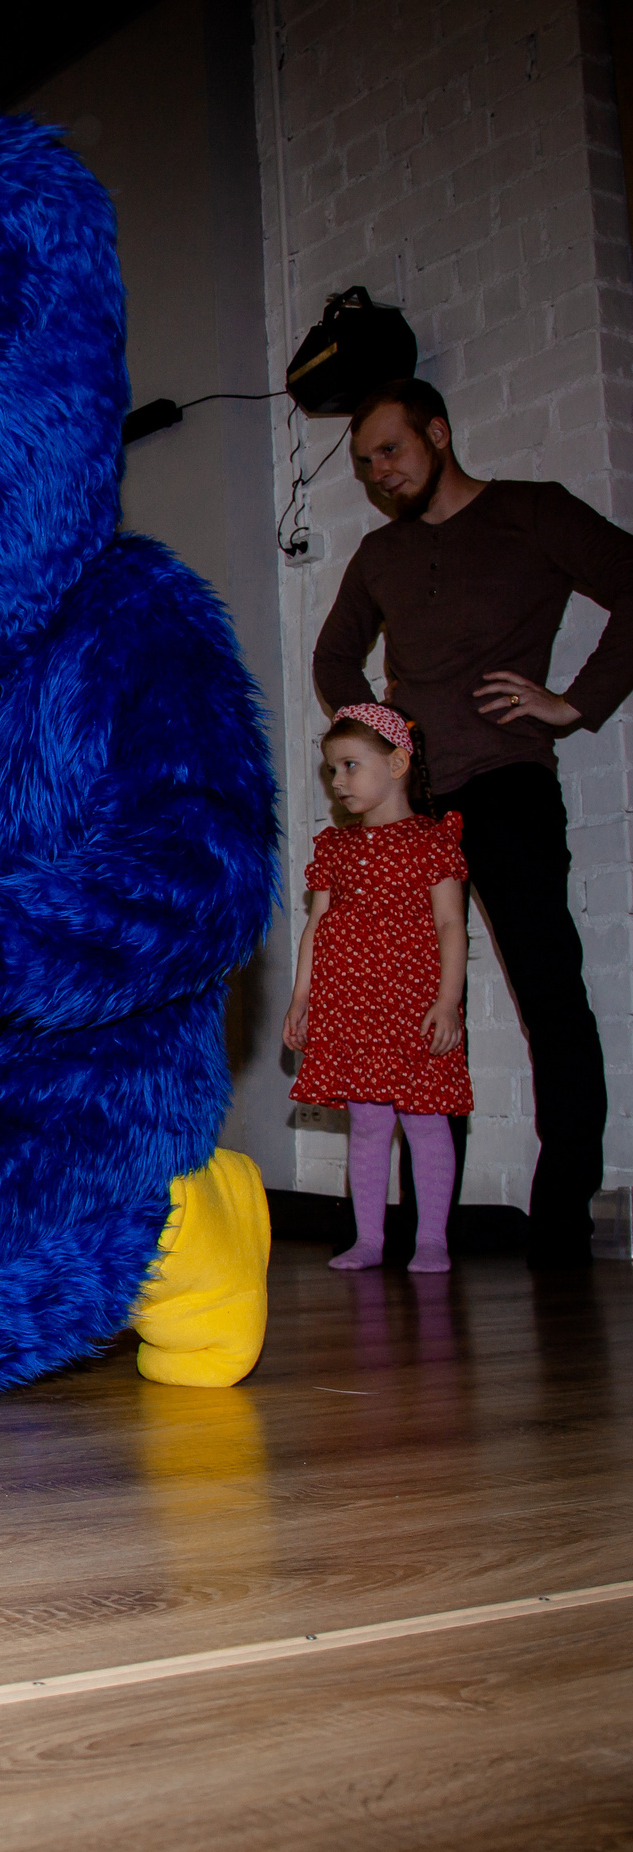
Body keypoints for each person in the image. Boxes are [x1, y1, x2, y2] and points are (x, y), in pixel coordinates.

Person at [315, 378, 633, 1263]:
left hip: (507, 786)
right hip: (412, 816)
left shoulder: (532, 514)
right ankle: (418, 1233)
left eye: (392, 450)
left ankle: (561, 1222)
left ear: (440, 434)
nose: (380, 471)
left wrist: (573, 702)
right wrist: (381, 743)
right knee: (406, 1005)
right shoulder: (379, 556)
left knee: (549, 992)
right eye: (367, 461)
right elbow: (336, 654)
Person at [283, 706, 471, 1272]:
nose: (337, 782)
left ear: (396, 763)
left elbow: (450, 925)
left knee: (425, 1119)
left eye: (348, 766)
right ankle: (369, 1239)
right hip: (351, 1007)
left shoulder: (431, 841)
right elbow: (317, 925)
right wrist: (301, 998)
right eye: (331, 770)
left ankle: (432, 1239)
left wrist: (447, 1000)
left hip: (412, 1005)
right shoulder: (335, 849)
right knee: (366, 1123)